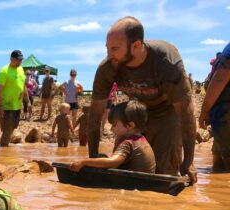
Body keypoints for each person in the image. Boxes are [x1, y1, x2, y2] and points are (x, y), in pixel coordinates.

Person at [88, 16, 197, 183]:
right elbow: (95, 115)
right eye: (107, 49)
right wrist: (93, 156)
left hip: (168, 111)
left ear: (136, 45)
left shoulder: (166, 61)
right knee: (132, 169)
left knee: (165, 175)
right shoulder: (107, 67)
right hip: (137, 113)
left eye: (115, 49)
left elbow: (186, 113)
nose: (109, 55)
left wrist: (189, 161)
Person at [71, 100, 155, 173]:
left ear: (130, 125)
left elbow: (113, 162)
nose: (111, 129)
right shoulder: (142, 139)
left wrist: (83, 162)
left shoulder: (127, 143)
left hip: (133, 184)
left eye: (114, 125)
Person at [199, 42, 230, 171]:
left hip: (225, 116)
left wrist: (204, 112)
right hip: (222, 117)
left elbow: (221, 77)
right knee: (218, 158)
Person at [0, 50, 28, 147]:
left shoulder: (21, 69)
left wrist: (28, 101)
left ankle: (5, 151)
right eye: (18, 60)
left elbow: (23, 86)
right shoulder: (4, 71)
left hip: (17, 106)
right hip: (7, 106)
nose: (20, 62)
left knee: (12, 129)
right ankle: (4, 154)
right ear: (11, 59)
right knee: (7, 131)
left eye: (21, 60)